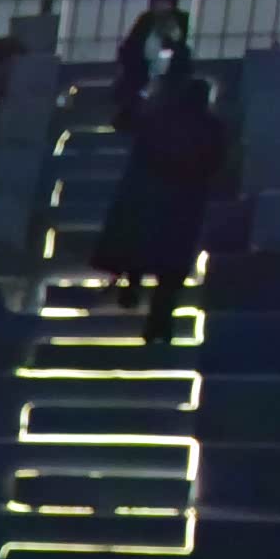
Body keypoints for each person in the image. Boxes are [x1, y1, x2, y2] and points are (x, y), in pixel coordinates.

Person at [97, 67, 225, 348]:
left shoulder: (160, 119)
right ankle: (159, 324)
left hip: (153, 201)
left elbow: (126, 126)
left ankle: (134, 290)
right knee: (170, 273)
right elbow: (216, 165)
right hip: (184, 207)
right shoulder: (211, 127)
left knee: (140, 250)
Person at [114, 0, 189, 125]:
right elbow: (130, 46)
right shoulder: (146, 21)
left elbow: (172, 51)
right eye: (157, 4)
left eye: (163, 4)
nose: (160, 8)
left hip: (164, 76)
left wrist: (160, 74)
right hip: (143, 73)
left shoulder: (177, 23)